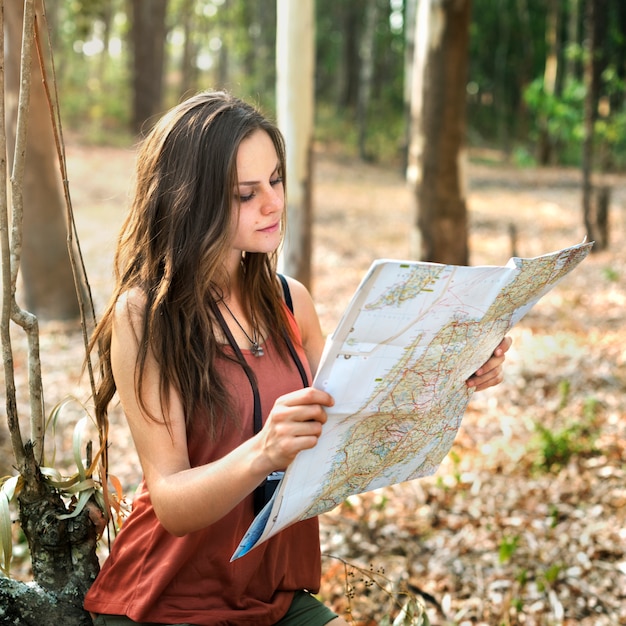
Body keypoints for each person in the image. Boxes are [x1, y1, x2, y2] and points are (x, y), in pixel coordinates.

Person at [84, 90, 512, 626]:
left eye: (276, 180)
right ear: (189, 199)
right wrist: (265, 451)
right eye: (245, 193)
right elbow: (170, 502)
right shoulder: (146, 316)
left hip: (271, 594)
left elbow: (356, 417)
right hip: (168, 600)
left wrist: (454, 369)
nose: (272, 203)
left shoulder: (291, 302)